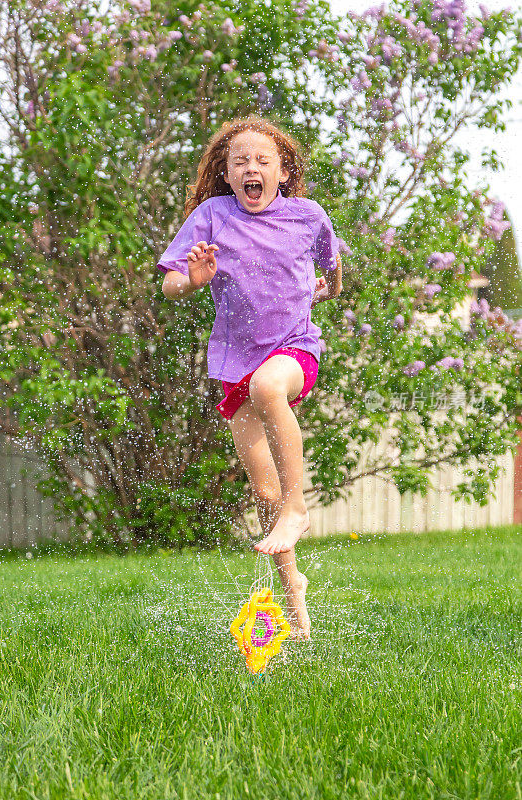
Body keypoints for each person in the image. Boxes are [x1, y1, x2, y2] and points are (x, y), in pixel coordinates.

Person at [158, 114, 342, 639]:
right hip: (233, 363)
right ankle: (296, 600)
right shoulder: (212, 216)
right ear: (227, 172)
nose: (251, 168)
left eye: (263, 160)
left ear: (283, 172)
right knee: (264, 494)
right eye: (240, 161)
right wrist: (191, 281)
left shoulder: (307, 217)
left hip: (292, 351)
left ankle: (299, 506)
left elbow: (331, 269)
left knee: (268, 387)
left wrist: (324, 290)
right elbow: (171, 283)